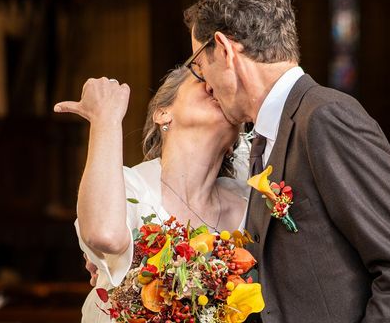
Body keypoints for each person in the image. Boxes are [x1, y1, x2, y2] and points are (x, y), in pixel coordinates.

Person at [183, 0, 390, 322]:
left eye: (199, 65)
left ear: (225, 49)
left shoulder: (325, 118)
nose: (205, 83)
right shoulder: (269, 137)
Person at [53, 68, 250, 323]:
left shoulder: (249, 204)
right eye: (202, 79)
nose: (215, 85)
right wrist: (105, 118)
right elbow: (104, 235)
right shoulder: (130, 187)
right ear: (162, 112)